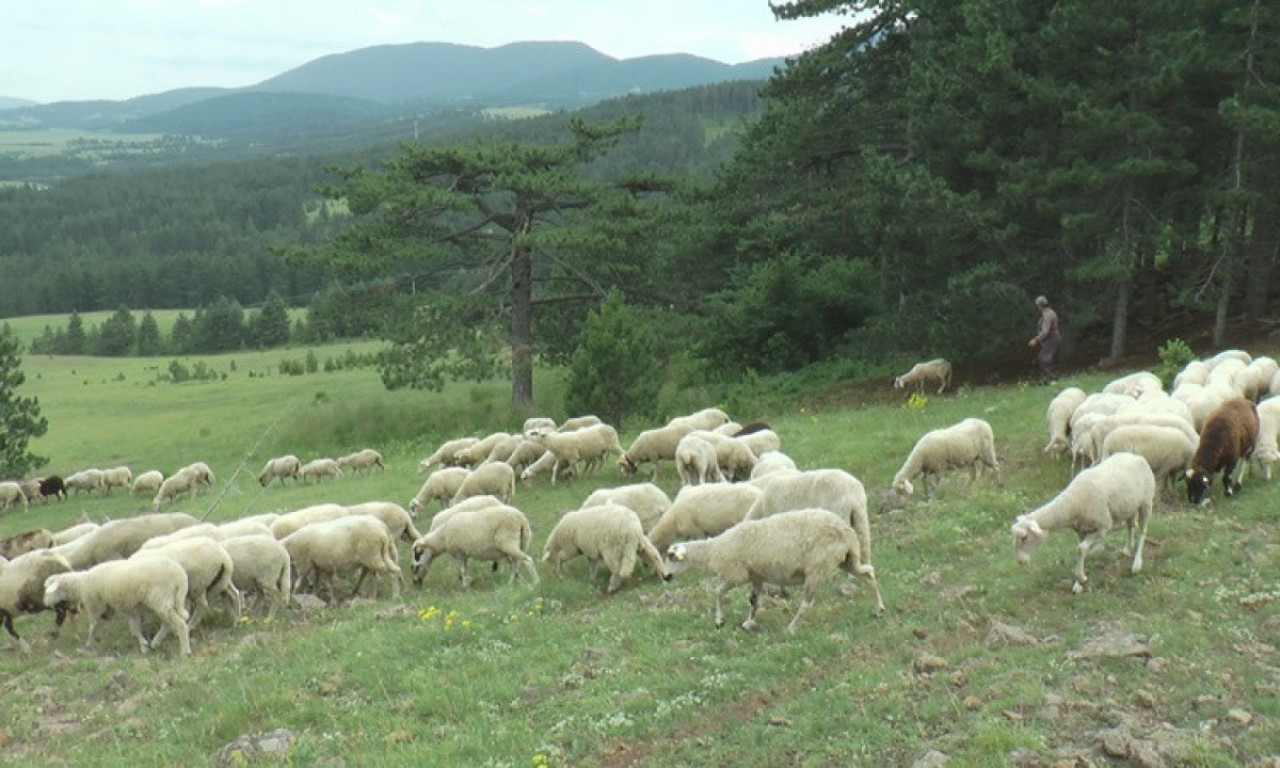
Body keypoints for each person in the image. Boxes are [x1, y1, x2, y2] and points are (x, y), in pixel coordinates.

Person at [1028, 295, 1060, 384]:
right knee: (1046, 358)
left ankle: (1049, 379)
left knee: (1043, 358)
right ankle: (1050, 377)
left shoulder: (1047, 315)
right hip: (1052, 338)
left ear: (1040, 305)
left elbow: (1045, 331)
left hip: (1051, 339)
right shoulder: (1050, 312)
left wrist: (1036, 339)